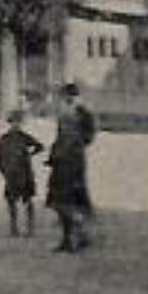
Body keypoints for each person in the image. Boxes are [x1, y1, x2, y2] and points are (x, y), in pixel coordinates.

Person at [46, 83, 97, 252]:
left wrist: (76, 146)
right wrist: (53, 155)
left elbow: (89, 136)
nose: (63, 100)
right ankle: (68, 239)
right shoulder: (64, 114)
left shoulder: (83, 114)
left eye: (67, 96)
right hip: (60, 162)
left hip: (73, 163)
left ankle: (81, 236)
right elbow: (59, 136)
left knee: (70, 201)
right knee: (59, 202)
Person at [0, 109, 45, 238]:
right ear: (10, 123)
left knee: (28, 200)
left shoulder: (24, 137)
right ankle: (14, 228)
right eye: (13, 122)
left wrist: (29, 155)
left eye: (18, 122)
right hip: (11, 174)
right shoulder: (4, 138)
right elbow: (0, 157)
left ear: (21, 123)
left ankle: (30, 228)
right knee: (11, 201)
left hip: (24, 173)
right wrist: (3, 170)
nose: (15, 125)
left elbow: (40, 146)